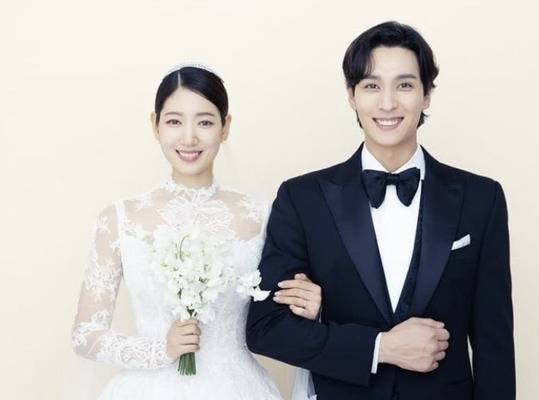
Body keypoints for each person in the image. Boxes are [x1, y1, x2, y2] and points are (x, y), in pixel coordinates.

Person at [247, 21, 515, 399]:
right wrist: (379, 348)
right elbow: (267, 329)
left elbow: (494, 344)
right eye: (372, 86)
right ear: (351, 95)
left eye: (404, 85)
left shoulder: (481, 199)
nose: (388, 103)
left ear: (426, 95)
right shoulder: (301, 199)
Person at [71, 64, 323, 399]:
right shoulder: (119, 219)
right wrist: (160, 350)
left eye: (204, 122)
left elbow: (278, 318)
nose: (189, 138)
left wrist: (310, 308)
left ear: (225, 127)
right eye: (174, 121)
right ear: (155, 125)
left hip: (238, 388)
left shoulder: (262, 217)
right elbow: (85, 334)